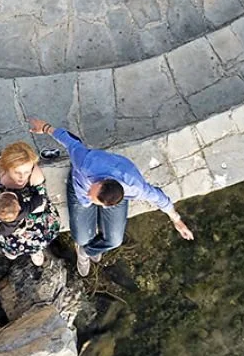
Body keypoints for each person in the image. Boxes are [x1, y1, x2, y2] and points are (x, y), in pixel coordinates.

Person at [28, 118, 194, 277]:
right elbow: (71, 141)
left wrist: (177, 221)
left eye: (94, 199)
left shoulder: (136, 188)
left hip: (111, 193)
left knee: (114, 240)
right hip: (79, 185)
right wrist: (45, 128)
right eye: (93, 192)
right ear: (103, 181)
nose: (89, 196)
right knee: (82, 237)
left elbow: (161, 199)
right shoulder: (86, 162)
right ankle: (83, 247)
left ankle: (87, 251)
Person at [0, 141, 61, 266]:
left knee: (37, 232)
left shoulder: (34, 172)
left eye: (26, 172)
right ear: (6, 167)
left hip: (25, 212)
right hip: (3, 210)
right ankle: (15, 250)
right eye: (17, 172)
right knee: (9, 238)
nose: (22, 177)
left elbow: (41, 201)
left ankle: (32, 249)